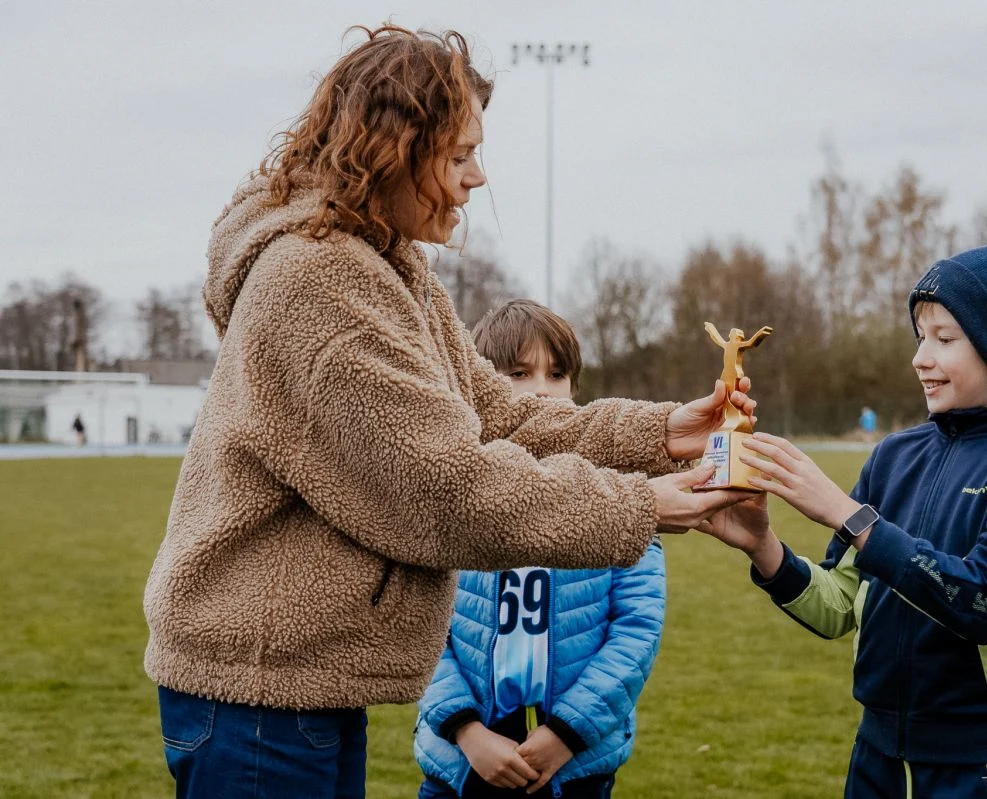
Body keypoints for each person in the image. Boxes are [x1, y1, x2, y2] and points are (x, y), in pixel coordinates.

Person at [142, 26, 753, 799]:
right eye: (460, 155)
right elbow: (445, 486)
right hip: (257, 692)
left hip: (294, 683)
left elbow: (501, 416)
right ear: (395, 146)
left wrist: (662, 433)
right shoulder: (319, 281)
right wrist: (640, 505)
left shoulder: (388, 267)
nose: (477, 178)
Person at [701, 245, 987, 798]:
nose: (920, 358)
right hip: (875, 759)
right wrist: (764, 548)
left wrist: (848, 515)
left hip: (978, 767)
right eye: (920, 336)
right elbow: (839, 603)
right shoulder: (894, 456)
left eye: (945, 338)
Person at [414, 300, 666, 798]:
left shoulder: (617, 493)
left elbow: (637, 628)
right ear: (482, 385)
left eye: (556, 373)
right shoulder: (452, 492)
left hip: (573, 762)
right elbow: (419, 624)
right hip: (465, 759)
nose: (542, 390)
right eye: (518, 372)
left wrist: (567, 733)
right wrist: (467, 731)